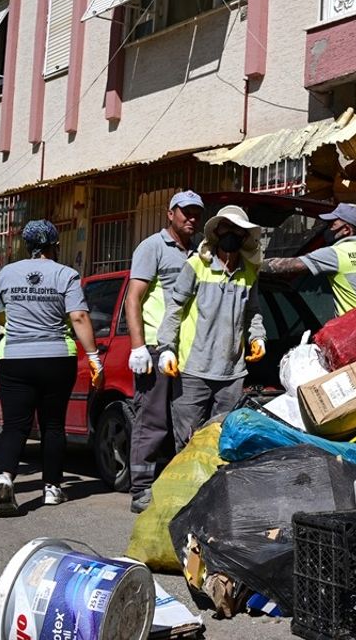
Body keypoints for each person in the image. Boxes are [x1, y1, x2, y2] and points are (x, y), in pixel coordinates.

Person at [0, 221, 104, 517]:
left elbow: (1, 317)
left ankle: (4, 477)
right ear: (54, 245)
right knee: (53, 424)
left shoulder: (5, 274)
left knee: (15, 425)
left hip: (13, 357)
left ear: (27, 245)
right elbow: (78, 317)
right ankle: (52, 488)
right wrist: (93, 357)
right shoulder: (66, 274)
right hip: (56, 356)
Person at [156, 205, 266, 449]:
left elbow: (253, 312)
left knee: (223, 443)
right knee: (187, 443)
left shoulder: (249, 273)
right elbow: (175, 307)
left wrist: (258, 338)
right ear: (216, 231)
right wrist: (167, 348)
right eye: (227, 228)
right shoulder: (196, 266)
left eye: (238, 230)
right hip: (193, 370)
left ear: (245, 236)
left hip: (232, 373)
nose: (232, 234)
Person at [124, 190, 203, 513]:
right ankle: (141, 488)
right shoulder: (152, 247)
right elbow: (134, 298)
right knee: (152, 419)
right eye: (185, 212)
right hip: (157, 348)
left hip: (190, 350)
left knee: (186, 421)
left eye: (197, 213)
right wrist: (138, 346)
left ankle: (176, 485)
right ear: (170, 214)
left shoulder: (200, 251)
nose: (192, 218)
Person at [262, 202, 356, 317]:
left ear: (346, 230)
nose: (328, 229)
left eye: (332, 224)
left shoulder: (336, 253)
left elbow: (289, 265)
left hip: (354, 331)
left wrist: (252, 264)